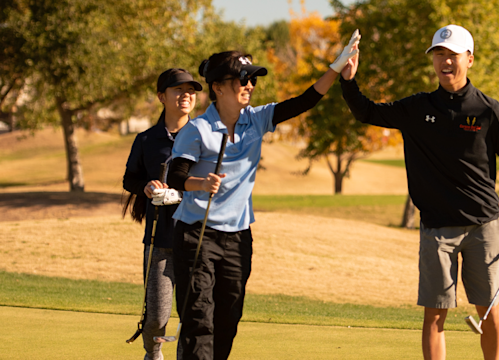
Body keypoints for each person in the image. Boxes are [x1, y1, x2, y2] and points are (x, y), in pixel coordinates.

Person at [338, 25, 499, 360]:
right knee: (434, 313)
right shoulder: (417, 108)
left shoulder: (488, 111)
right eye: (439, 54)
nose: (445, 61)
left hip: (483, 225)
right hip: (436, 227)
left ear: (470, 59)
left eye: (453, 55)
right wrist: (348, 80)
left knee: (487, 308)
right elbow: (366, 112)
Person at [165, 30, 361, 360]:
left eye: (252, 80)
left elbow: (305, 101)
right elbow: (177, 176)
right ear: (218, 87)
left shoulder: (257, 120)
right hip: (196, 234)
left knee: (228, 319)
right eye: (242, 80)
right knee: (199, 318)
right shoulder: (197, 129)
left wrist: (336, 66)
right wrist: (201, 184)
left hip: (238, 236)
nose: (249, 86)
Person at [123, 68, 202, 360]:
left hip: (196, 238)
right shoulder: (147, 140)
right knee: (156, 316)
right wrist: (146, 187)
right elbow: (129, 180)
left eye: (191, 90)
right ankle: (153, 353)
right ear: (161, 97)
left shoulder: (204, 136)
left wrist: (182, 193)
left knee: (192, 313)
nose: (186, 96)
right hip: (159, 240)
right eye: (178, 90)